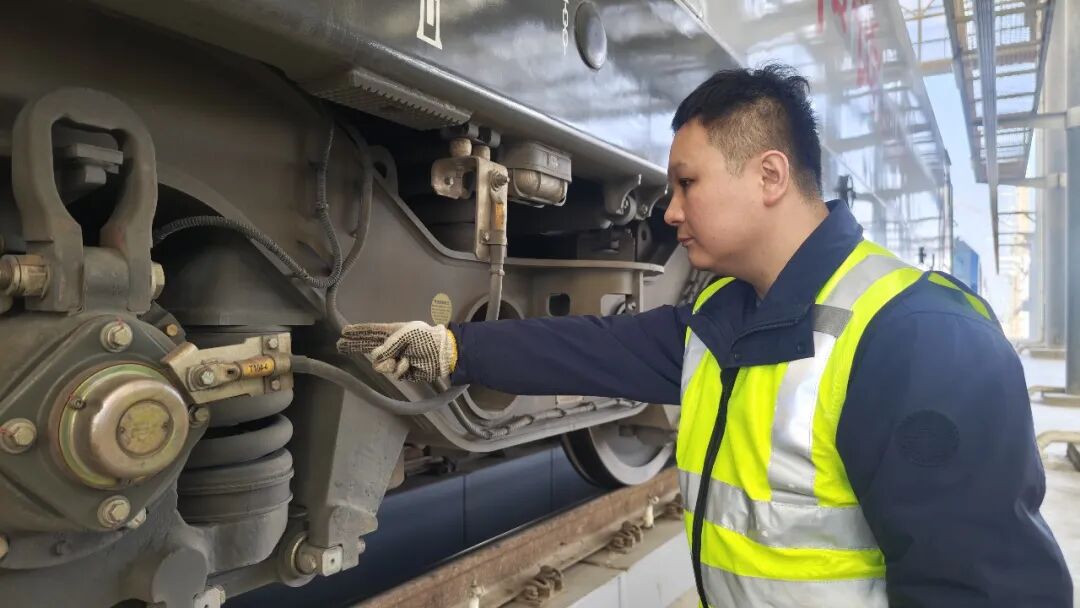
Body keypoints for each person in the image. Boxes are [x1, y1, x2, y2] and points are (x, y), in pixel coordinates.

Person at [336, 64, 1072, 607]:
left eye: (687, 184)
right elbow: (598, 349)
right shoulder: (727, 317)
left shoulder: (923, 339)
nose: (670, 212)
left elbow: (986, 589)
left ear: (770, 176)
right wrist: (456, 348)